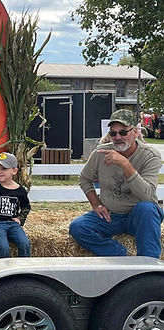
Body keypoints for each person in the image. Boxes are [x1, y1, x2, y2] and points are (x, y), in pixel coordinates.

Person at [69, 109, 163, 258]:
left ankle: (148, 267)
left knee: (147, 208)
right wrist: (96, 204)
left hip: (139, 217)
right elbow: (84, 179)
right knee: (78, 227)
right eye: (113, 133)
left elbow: (147, 195)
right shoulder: (100, 153)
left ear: (136, 132)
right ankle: (119, 255)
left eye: (123, 132)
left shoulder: (149, 155)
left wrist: (125, 164)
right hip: (111, 216)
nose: (118, 137)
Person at [0, 152, 31, 258]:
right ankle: (3, 271)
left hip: (13, 225)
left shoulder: (20, 190)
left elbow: (26, 207)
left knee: (25, 243)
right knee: (4, 247)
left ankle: (23, 270)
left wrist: (20, 219)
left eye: (4, 169)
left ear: (14, 171)